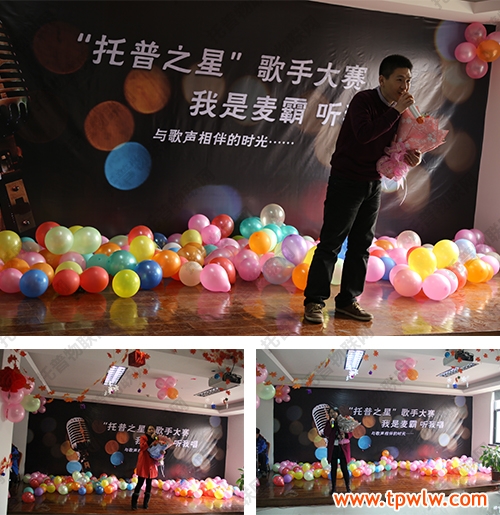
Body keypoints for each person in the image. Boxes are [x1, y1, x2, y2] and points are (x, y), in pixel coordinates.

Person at [304, 54, 422, 324]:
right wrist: (396, 110)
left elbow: (394, 147)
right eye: (399, 79)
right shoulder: (364, 100)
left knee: (361, 245)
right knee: (331, 244)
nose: (404, 86)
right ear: (382, 80)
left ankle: (348, 301)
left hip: (373, 182)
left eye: (408, 80)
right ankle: (314, 302)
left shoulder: (400, 112)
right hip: (346, 181)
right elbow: (364, 134)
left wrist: (410, 156)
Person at [131, 425, 173, 510]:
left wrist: (162, 452)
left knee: (149, 485)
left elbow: (159, 450)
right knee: (140, 483)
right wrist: (151, 439)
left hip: (152, 465)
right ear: (146, 431)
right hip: (144, 463)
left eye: (153, 429)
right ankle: (134, 503)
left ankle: (145, 503)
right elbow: (143, 447)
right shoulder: (143, 438)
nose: (151, 431)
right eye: (149, 429)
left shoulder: (157, 439)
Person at [323, 406, 352, 495]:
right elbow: (326, 433)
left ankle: (348, 487)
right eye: (330, 413)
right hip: (334, 448)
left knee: (344, 468)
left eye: (334, 412)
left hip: (343, 448)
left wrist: (345, 435)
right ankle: (333, 488)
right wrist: (330, 424)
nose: (332, 414)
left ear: (338, 413)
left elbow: (350, 433)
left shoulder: (344, 421)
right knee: (333, 469)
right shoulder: (329, 422)